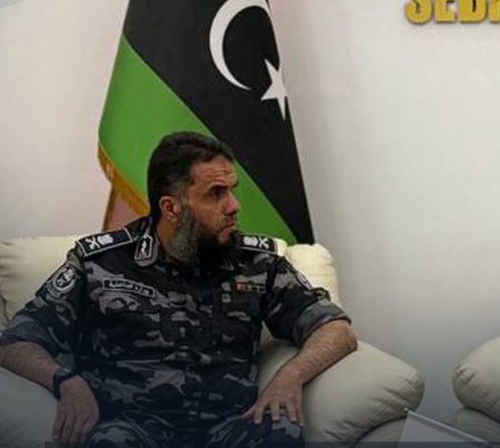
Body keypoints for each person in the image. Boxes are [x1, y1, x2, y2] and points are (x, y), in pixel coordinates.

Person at [0, 132, 357, 447]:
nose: (234, 206)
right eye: (216, 194)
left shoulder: (257, 262)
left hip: (229, 428)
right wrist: (66, 381)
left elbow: (336, 329)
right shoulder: (100, 263)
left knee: (281, 431)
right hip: (132, 428)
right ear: (171, 208)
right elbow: (16, 341)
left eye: (232, 190)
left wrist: (291, 375)